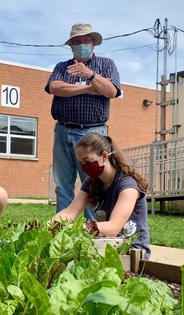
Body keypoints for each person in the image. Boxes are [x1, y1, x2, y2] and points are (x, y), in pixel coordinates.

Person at [45, 22, 121, 213]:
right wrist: (89, 88)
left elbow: (111, 91)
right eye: (76, 41)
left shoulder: (106, 64)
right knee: (63, 185)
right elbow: (55, 88)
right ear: (70, 45)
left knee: (94, 182)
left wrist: (90, 74)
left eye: (85, 40)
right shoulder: (62, 67)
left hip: (93, 131)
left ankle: (95, 230)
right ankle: (61, 229)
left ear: (93, 42)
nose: (81, 44)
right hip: (63, 130)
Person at [54, 132, 151, 259]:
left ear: (104, 156)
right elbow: (69, 212)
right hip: (109, 246)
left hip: (132, 251)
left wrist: (71, 230)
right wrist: (48, 227)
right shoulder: (92, 182)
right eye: (80, 162)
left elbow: (113, 228)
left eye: (87, 161)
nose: (83, 167)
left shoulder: (128, 186)